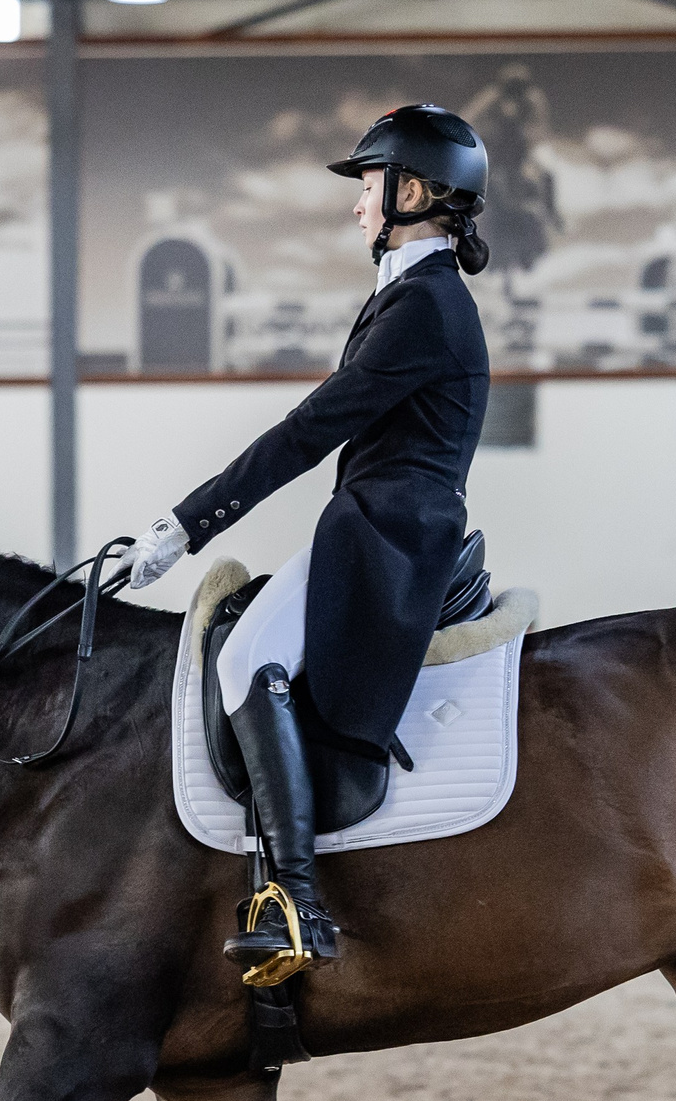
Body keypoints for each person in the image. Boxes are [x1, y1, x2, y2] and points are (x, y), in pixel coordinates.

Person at [123, 103, 493, 981]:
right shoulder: (409, 295)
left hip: (390, 535)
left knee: (247, 657)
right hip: (381, 526)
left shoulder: (425, 307)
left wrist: (186, 524)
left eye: (369, 189)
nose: (358, 208)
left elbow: (309, 430)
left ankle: (294, 896)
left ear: (412, 192)